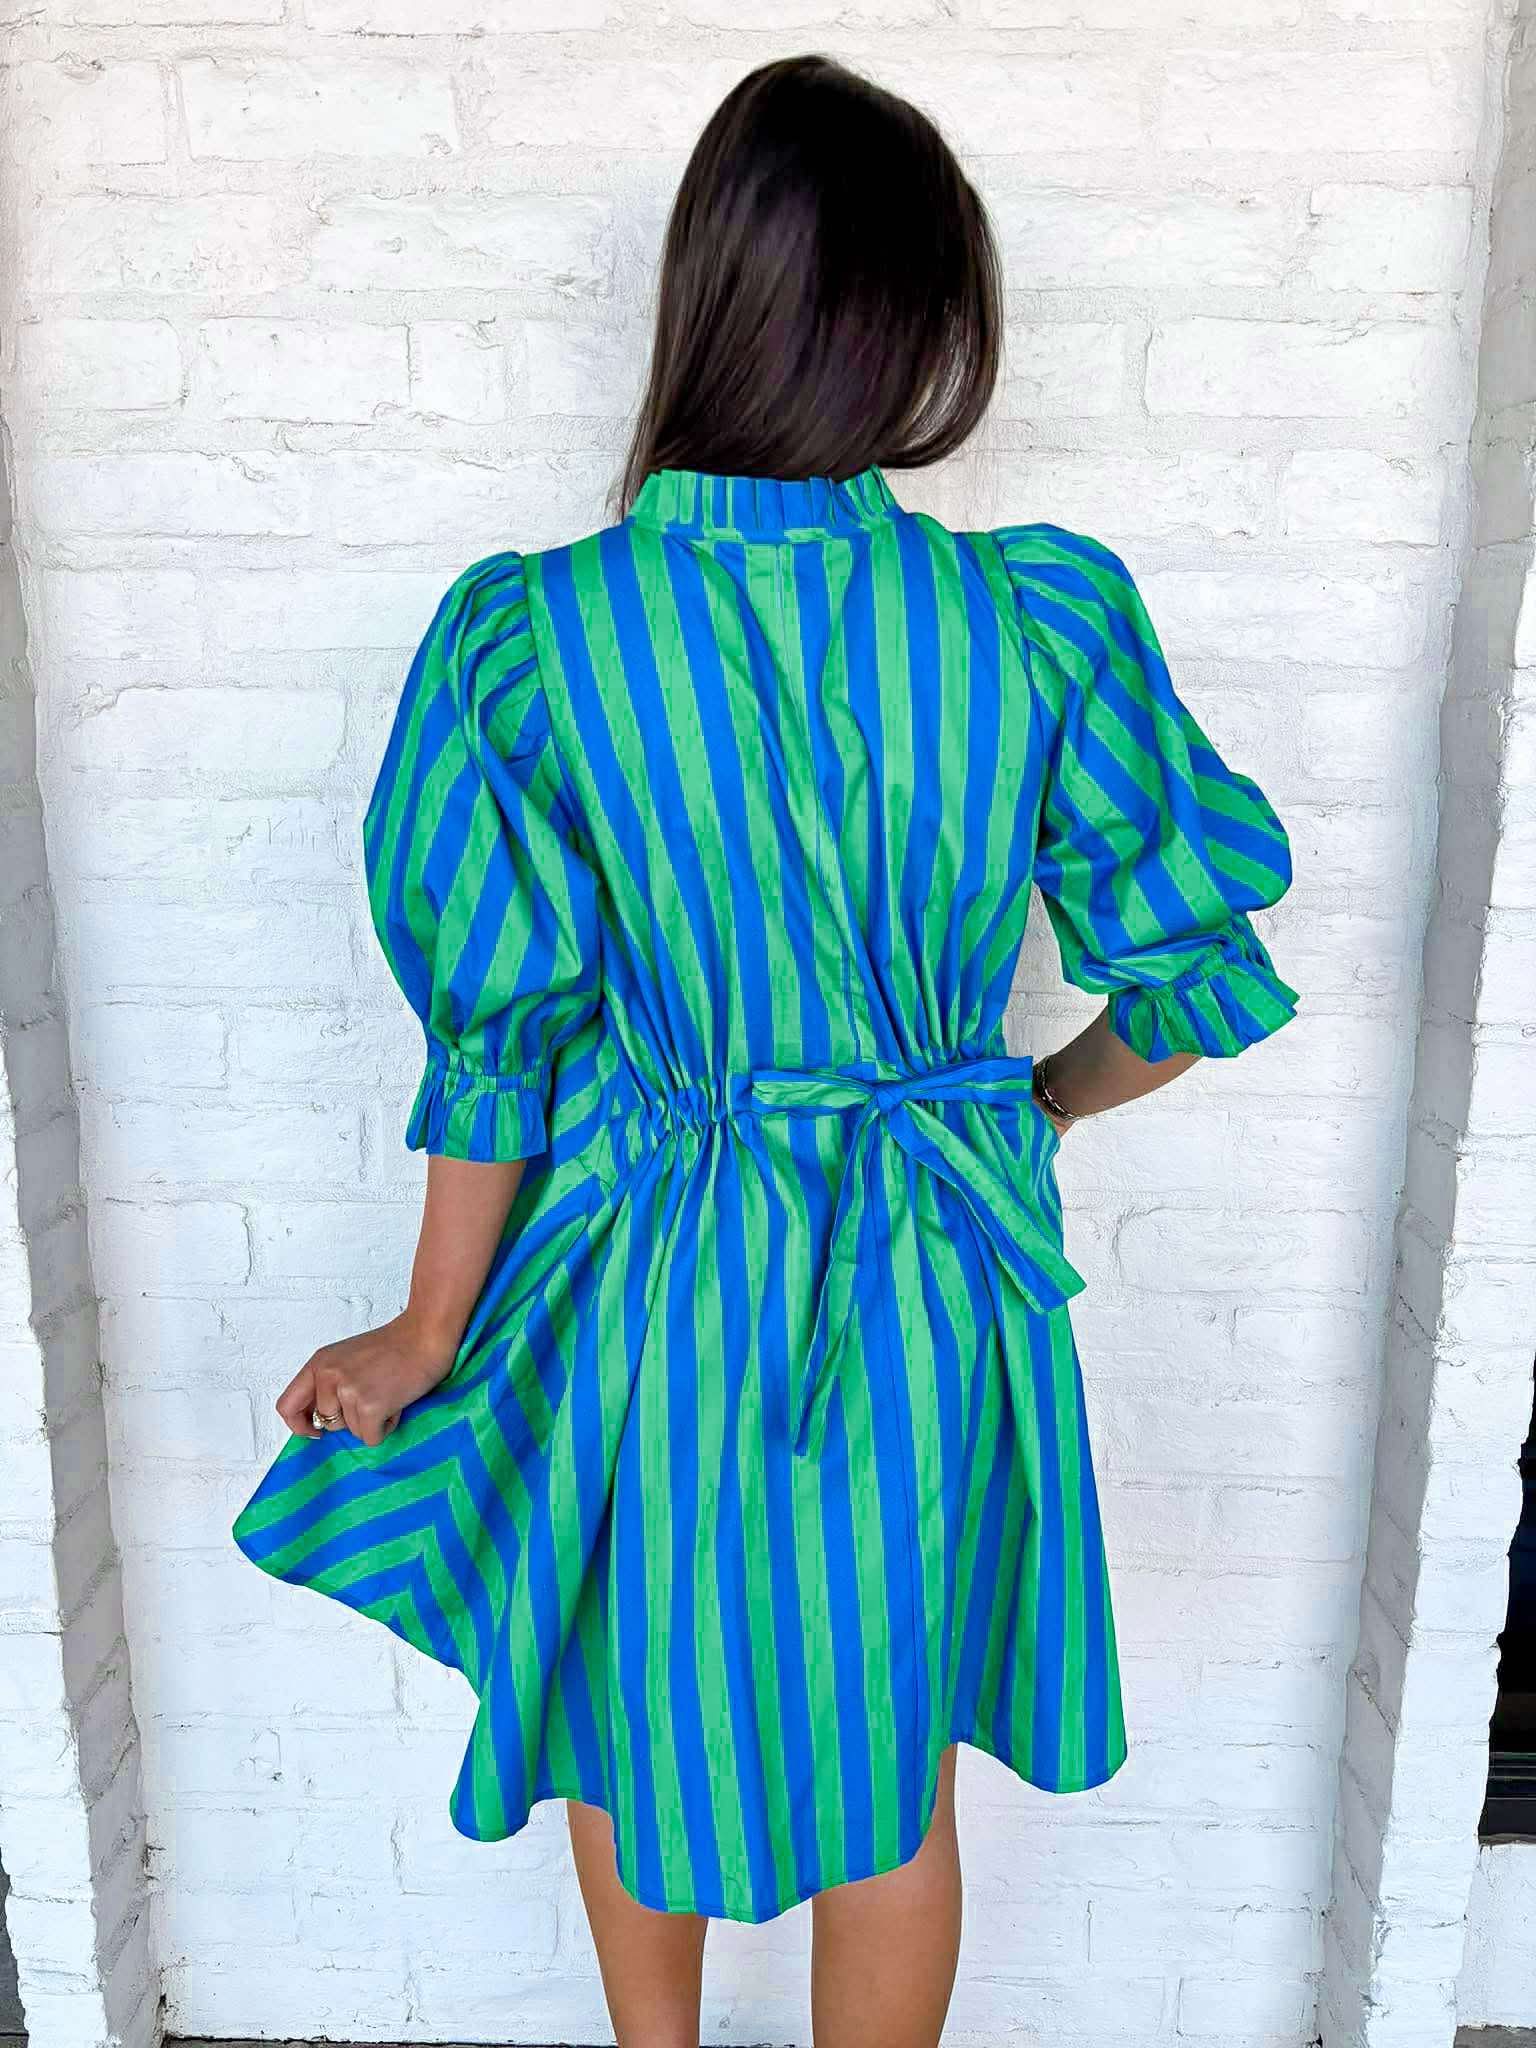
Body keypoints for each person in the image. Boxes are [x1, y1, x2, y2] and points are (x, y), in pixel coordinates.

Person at [232, 51, 1298, 2048]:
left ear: (704, 303)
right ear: (925, 325)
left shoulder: (535, 639)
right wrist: (1028, 1109)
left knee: (636, 1697)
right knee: (891, 1756)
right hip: (933, 1275)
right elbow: (1194, 977)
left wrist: (433, 1326)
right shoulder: (1031, 619)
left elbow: (504, 1037)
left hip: (646, 1268)